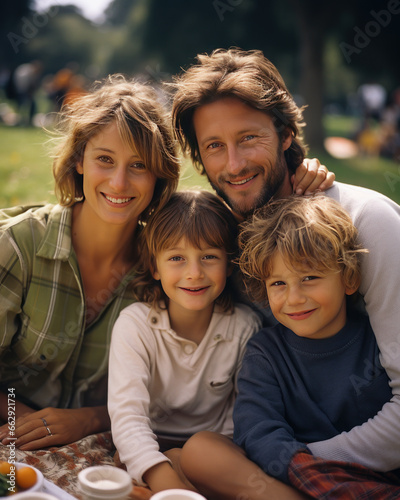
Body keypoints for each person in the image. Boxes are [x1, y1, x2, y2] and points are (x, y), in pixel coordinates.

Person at [171, 48, 400, 498]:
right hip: (277, 444)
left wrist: (298, 467)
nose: (233, 164)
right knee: (197, 453)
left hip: (342, 457)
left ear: (286, 135)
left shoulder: (368, 223)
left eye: (249, 138)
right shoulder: (223, 242)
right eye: (214, 146)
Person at [0, 74, 180, 451]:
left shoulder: (166, 271)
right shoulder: (18, 246)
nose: (118, 183)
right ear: (79, 160)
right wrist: (28, 422)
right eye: (105, 160)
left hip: (102, 443)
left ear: (158, 175)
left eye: (139, 166)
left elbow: (167, 395)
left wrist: (88, 419)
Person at [232, 194, 399, 497]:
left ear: (349, 279)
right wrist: (300, 464)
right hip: (296, 476)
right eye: (278, 283)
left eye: (309, 277)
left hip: (375, 480)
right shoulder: (265, 354)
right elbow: (257, 429)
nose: (294, 298)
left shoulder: (376, 345)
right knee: (201, 451)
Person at [108, 190, 262, 494]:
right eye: (177, 258)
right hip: (149, 447)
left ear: (229, 265)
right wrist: (163, 473)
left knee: (203, 460)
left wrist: (192, 460)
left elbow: (246, 415)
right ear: (155, 267)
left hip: (215, 450)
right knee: (125, 472)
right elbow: (128, 417)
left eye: (209, 257)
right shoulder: (135, 324)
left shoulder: (244, 326)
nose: (194, 273)